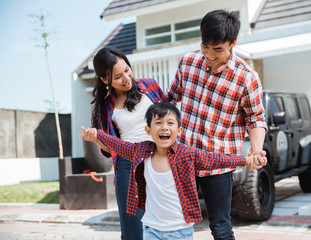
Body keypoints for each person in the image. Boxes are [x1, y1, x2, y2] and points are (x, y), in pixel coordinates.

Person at [80, 102, 267, 240]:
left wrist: (246, 160)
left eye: (170, 123)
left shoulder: (187, 154)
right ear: (148, 130)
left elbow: (216, 159)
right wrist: (98, 136)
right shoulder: (141, 151)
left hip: (179, 231)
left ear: (179, 130)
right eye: (158, 123)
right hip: (151, 229)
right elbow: (118, 145)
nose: (164, 128)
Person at [166, 10, 267, 239]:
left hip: (218, 163)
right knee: (174, 222)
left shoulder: (246, 77)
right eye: (205, 46)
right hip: (182, 159)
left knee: (220, 227)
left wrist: (257, 149)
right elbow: (170, 100)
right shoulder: (188, 62)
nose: (209, 54)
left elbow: (256, 118)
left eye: (218, 49)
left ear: (233, 43)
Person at [90, 47, 167, 240]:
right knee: (133, 232)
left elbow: (170, 118)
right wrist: (99, 139)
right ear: (105, 80)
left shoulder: (150, 85)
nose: (126, 78)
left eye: (127, 70)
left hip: (161, 161)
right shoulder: (106, 106)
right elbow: (110, 149)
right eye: (117, 76)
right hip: (129, 166)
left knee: (166, 226)